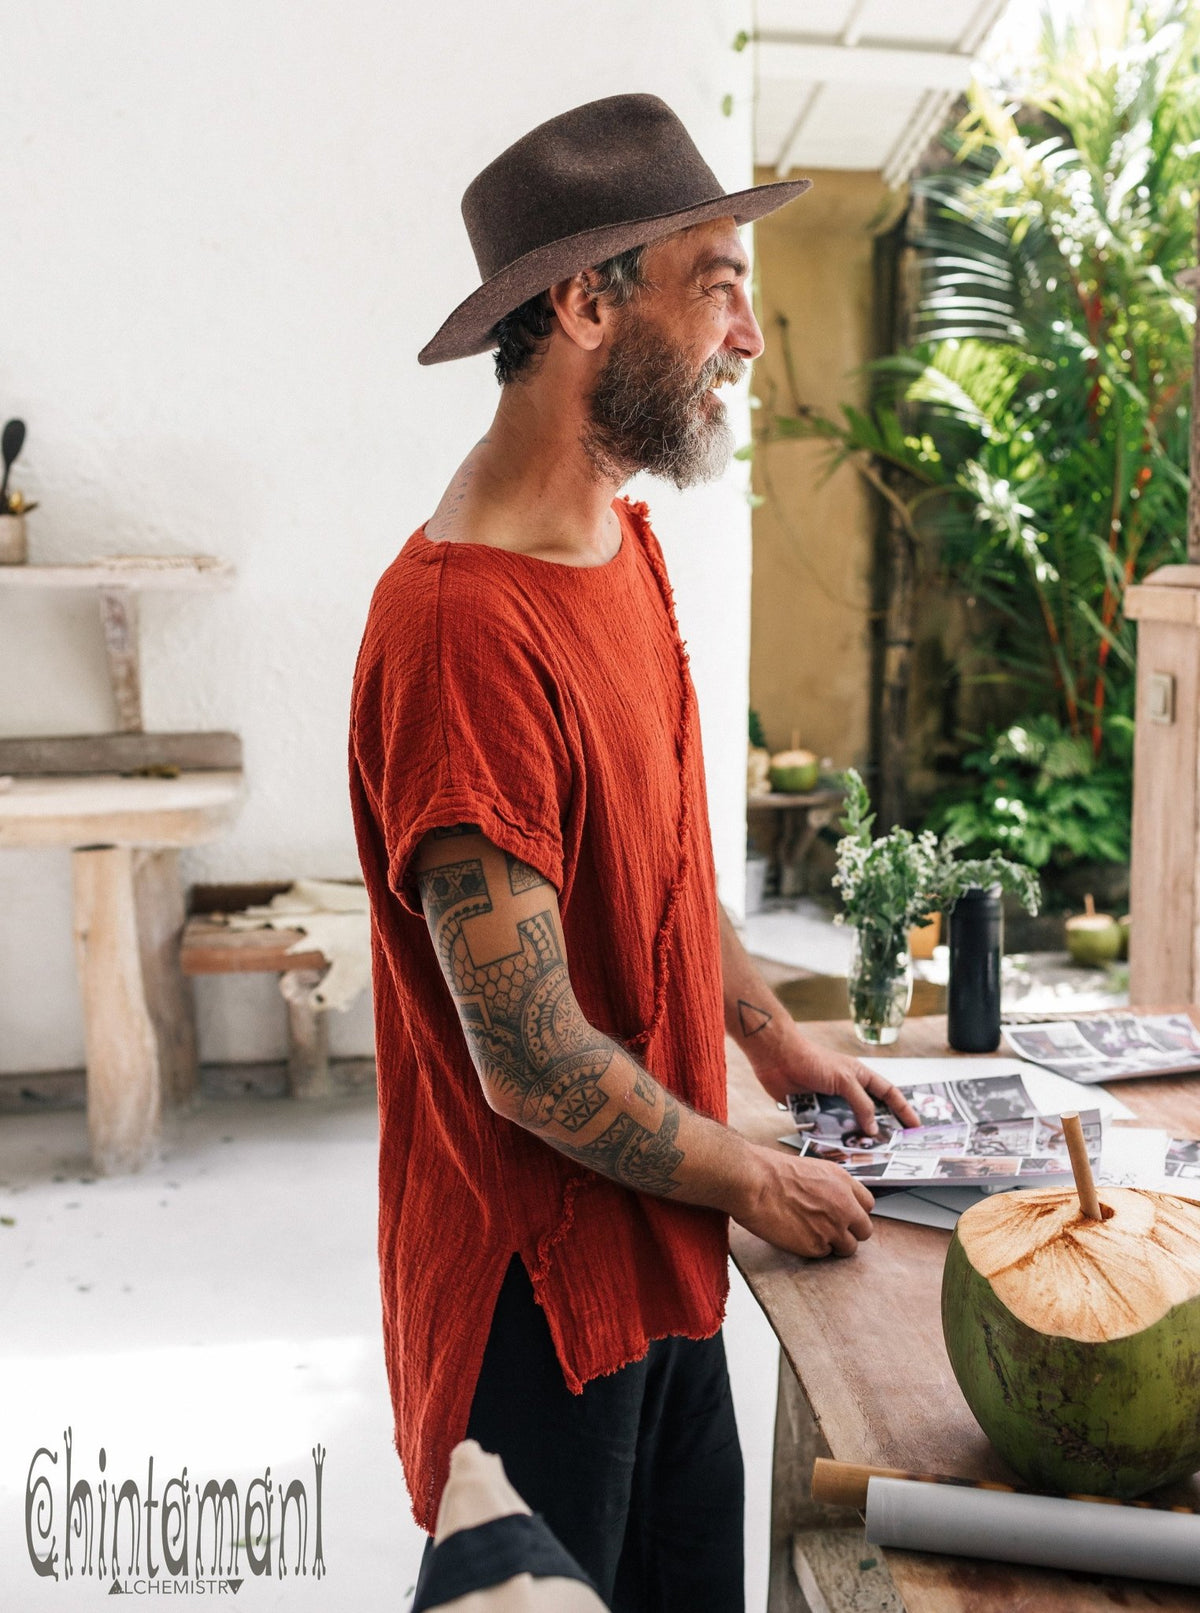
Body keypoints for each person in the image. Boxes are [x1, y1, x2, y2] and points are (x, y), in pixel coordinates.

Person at [349, 93, 919, 1612]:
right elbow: (528, 1059)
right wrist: (750, 1176)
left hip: (665, 1244)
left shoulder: (619, 536)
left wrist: (771, 1037)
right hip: (541, 1304)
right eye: (719, 282)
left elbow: (662, 857)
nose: (747, 337)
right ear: (587, 302)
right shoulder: (466, 628)